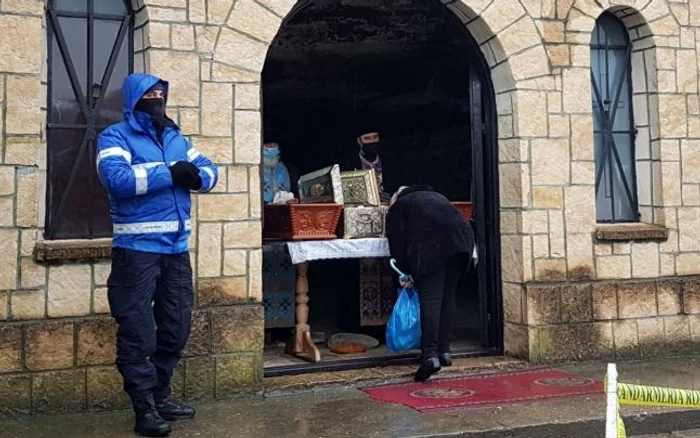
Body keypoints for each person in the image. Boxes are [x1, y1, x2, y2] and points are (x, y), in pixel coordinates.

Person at [97, 73, 218, 437]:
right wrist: (169, 172)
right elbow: (116, 179)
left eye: (161, 93)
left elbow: (211, 171)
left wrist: (198, 178)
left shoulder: (176, 137)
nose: (157, 99)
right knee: (137, 333)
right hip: (136, 253)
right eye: (149, 94)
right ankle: (144, 408)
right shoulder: (115, 136)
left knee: (177, 328)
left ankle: (161, 395)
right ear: (134, 100)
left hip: (176, 250)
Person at [385, 185, 475, 382]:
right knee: (448, 295)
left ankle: (429, 356)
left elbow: (397, 243)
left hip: (433, 246)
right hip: (463, 241)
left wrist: (405, 272)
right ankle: (444, 351)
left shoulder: (399, 206)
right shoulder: (437, 197)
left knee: (431, 299)